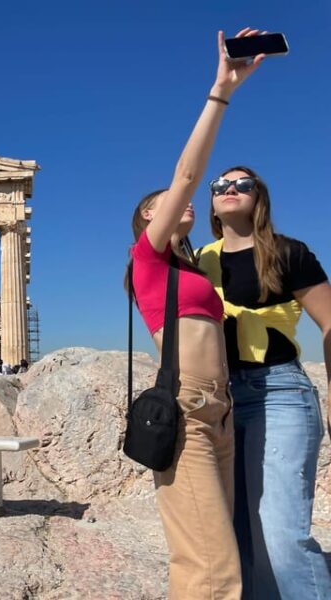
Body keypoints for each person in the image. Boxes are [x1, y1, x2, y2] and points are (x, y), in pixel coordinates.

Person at [127, 28, 266, 597]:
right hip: (185, 408)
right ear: (148, 219)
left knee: (213, 555)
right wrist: (221, 91)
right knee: (211, 566)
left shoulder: (193, 271)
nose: (180, 200)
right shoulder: (147, 258)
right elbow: (188, 174)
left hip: (221, 411)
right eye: (162, 203)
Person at [199, 165, 331, 598]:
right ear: (211, 203)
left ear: (260, 197)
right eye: (220, 184)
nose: (230, 188)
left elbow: (330, 323)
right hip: (220, 399)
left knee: (280, 537)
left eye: (243, 184)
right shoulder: (201, 261)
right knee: (236, 535)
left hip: (280, 392)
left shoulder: (287, 252)